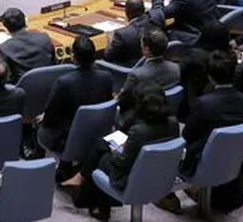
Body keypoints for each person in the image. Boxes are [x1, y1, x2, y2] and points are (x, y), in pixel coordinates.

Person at [71, 83, 179, 221]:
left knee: (103, 157)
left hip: (132, 178)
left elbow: (122, 161)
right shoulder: (173, 123)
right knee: (101, 145)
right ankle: (84, 187)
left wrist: (115, 150)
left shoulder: (138, 131)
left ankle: (99, 205)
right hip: (161, 174)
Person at [177, 52, 243, 211]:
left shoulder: (203, 104)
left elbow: (186, 136)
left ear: (210, 77)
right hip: (235, 159)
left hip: (202, 162)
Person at [38, 36, 114, 162]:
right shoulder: (107, 77)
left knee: (40, 127)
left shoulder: (64, 83)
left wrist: (44, 118)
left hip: (67, 136)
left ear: (73, 57)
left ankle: (42, 162)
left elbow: (50, 117)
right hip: (96, 130)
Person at [105, 0, 164, 65]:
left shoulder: (122, 34)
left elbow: (107, 56)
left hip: (130, 70)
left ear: (127, 13)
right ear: (144, 9)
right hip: (154, 64)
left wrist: (109, 40)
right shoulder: (157, 16)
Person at [118, 28, 180, 119]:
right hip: (167, 112)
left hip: (142, 116)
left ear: (146, 49)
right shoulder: (176, 68)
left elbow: (123, 100)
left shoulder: (137, 75)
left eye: (141, 44)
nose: (140, 46)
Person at [0, 7, 55, 83]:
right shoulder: (44, 37)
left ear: (5, 28)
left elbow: (5, 78)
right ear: (26, 21)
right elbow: (54, 63)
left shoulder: (4, 48)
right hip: (51, 84)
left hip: (23, 89)